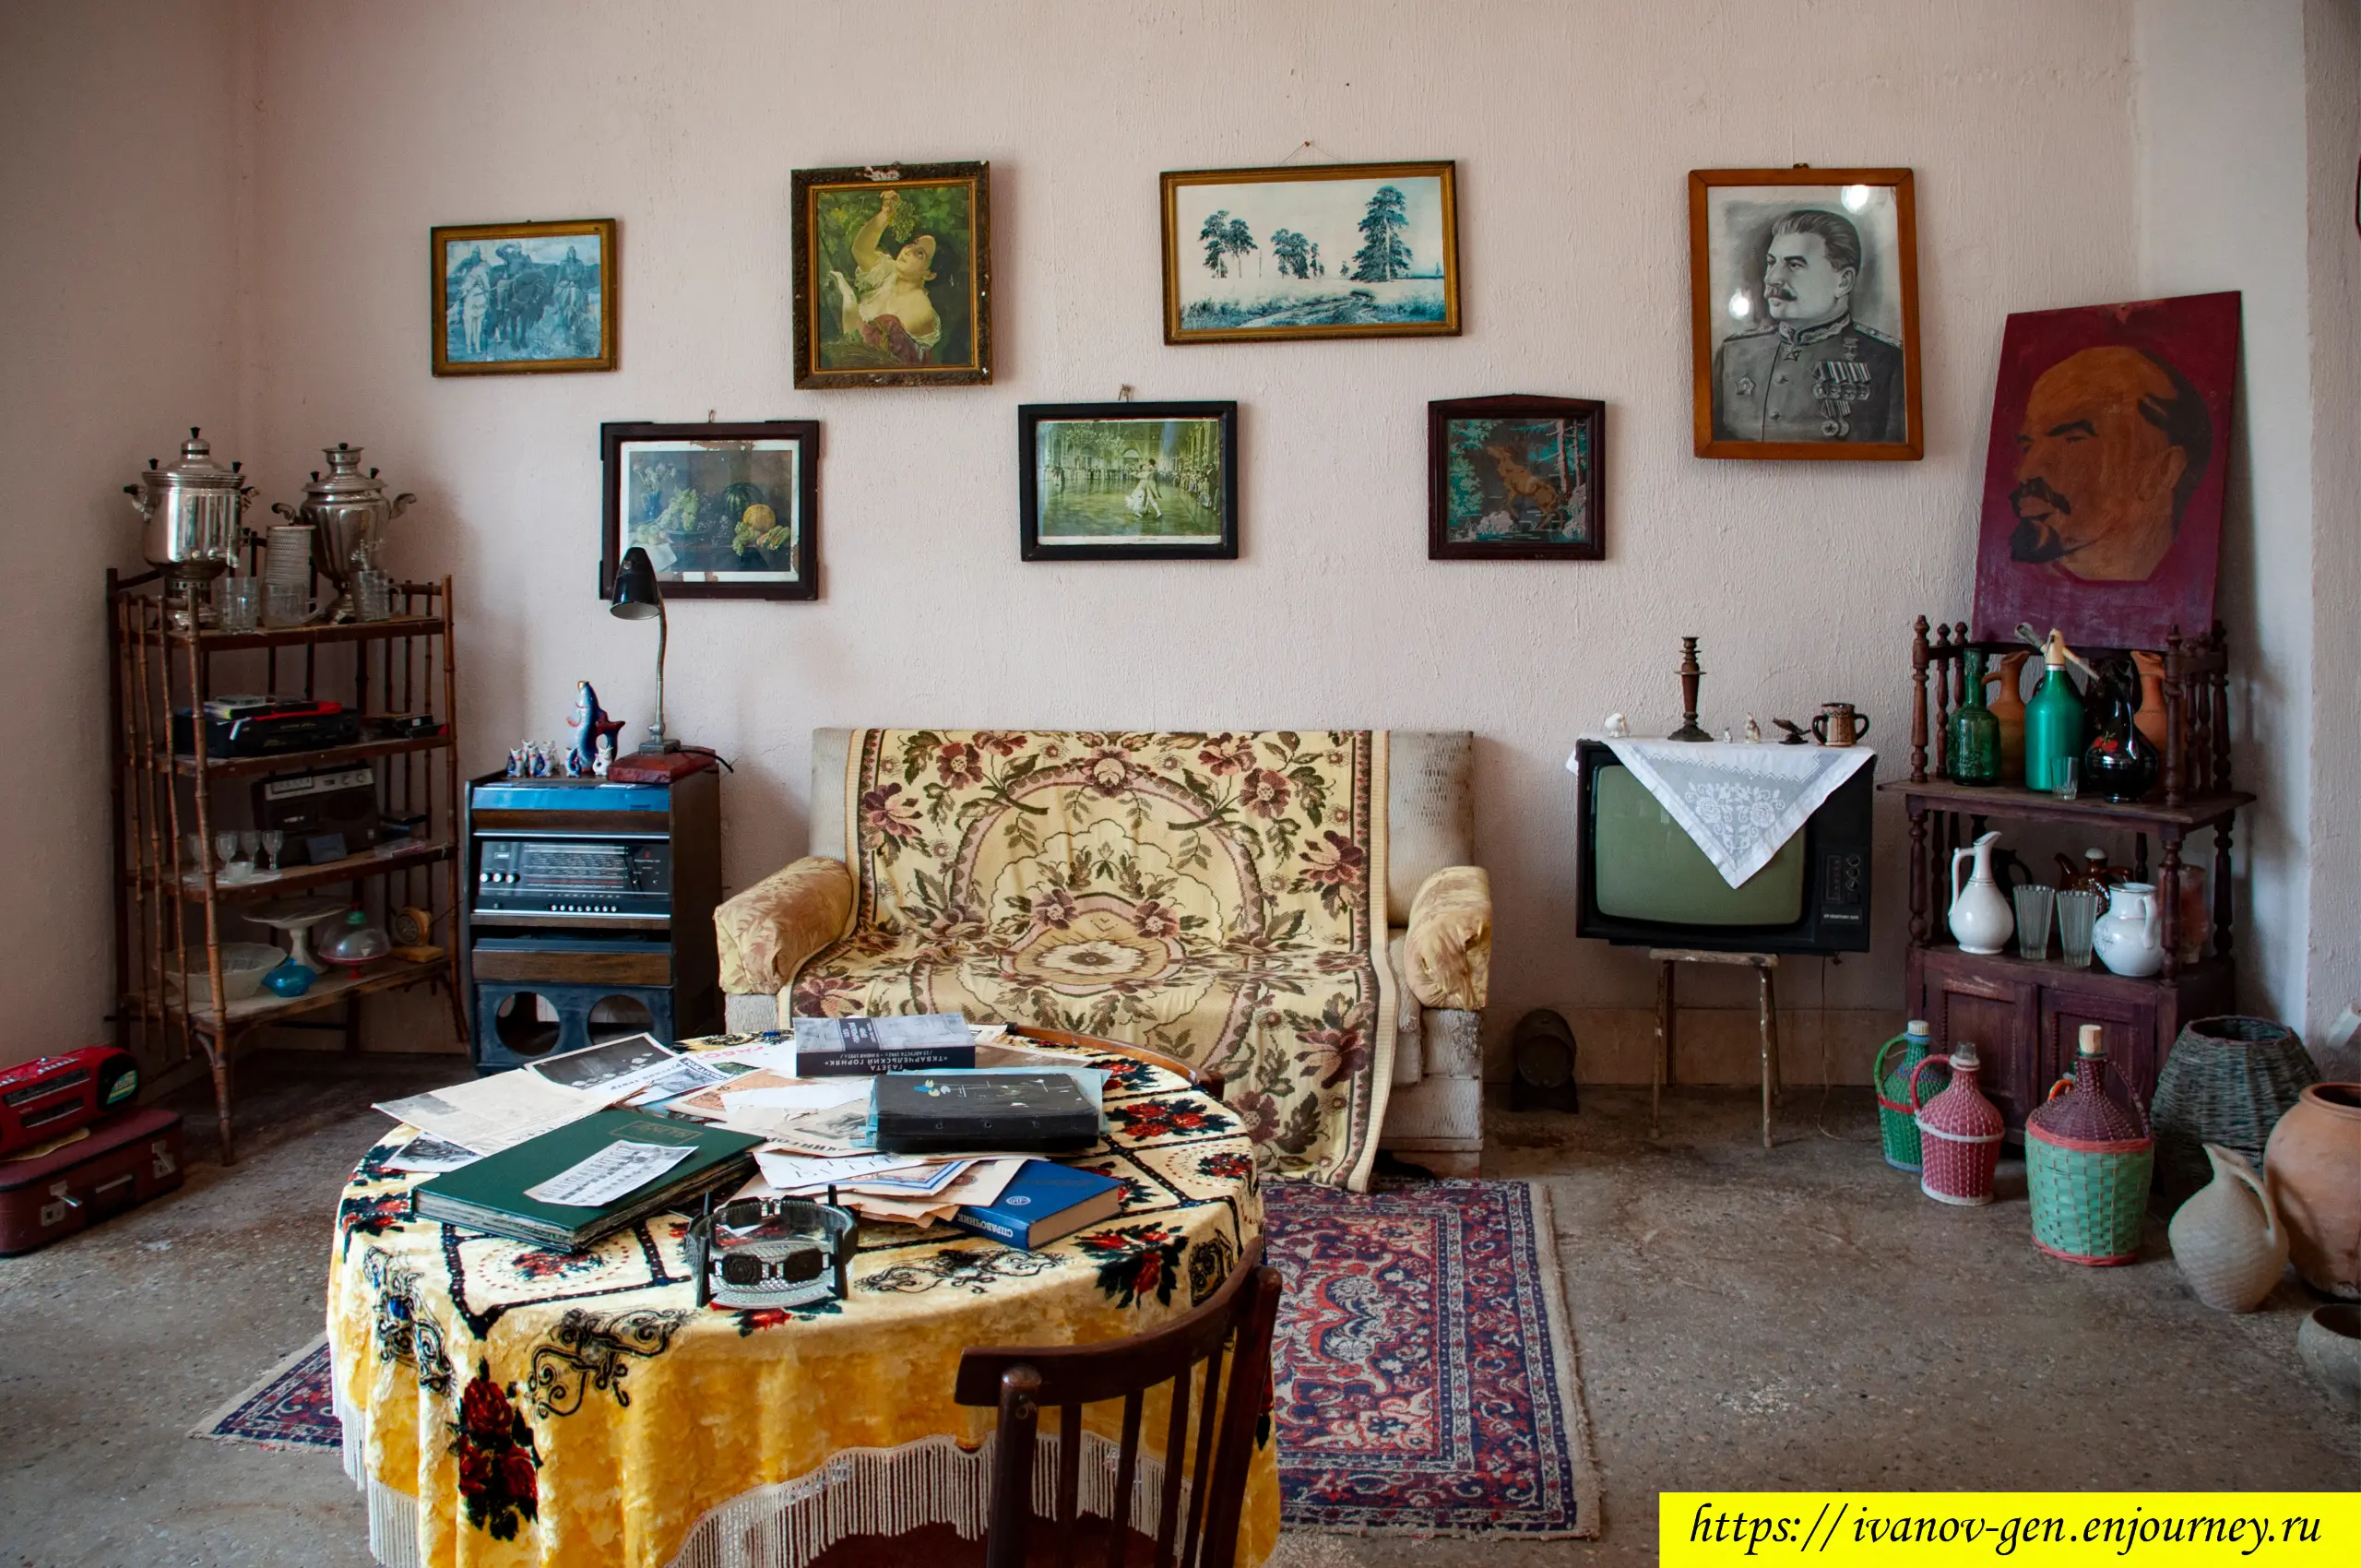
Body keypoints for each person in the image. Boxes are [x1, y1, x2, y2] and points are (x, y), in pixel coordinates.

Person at [2008, 344, 2211, 582]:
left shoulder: (2188, 585)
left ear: (2163, 471)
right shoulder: (2021, 594)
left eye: (2073, 439)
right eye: (2028, 446)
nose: (2027, 473)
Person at [1712, 208, 1905, 443]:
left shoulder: (1889, 362)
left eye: (1794, 265)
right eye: (1771, 263)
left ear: (1843, 282)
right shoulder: (1733, 354)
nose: (1772, 278)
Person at [827, 190, 943, 364]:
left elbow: (873, 354)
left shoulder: (920, 309)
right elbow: (860, 251)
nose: (908, 251)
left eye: (920, 254)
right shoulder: (890, 272)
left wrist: (849, 301)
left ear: (929, 274)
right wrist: (885, 214)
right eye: (913, 244)